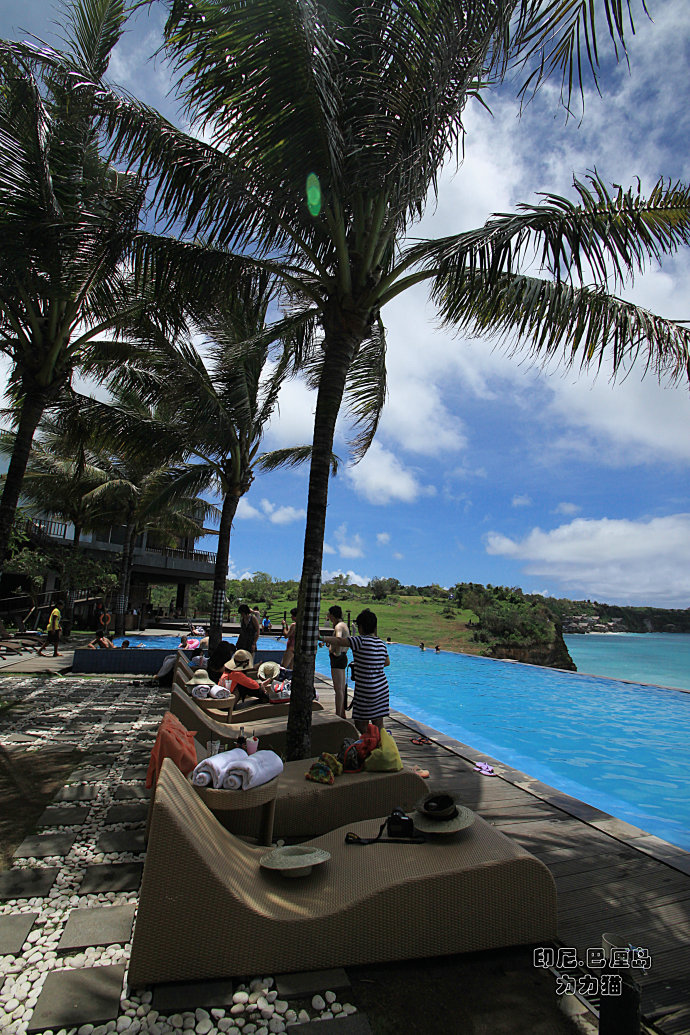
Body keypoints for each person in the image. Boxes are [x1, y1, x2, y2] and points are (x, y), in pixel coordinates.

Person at [321, 608, 389, 733]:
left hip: (365, 690)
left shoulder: (359, 641)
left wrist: (322, 638)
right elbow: (386, 662)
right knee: (378, 723)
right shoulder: (381, 644)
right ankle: (382, 746)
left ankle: (366, 745)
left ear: (361, 627)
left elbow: (340, 641)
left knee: (361, 724)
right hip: (382, 690)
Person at [324, 605, 349, 718]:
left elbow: (339, 639)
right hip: (343, 658)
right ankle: (342, 712)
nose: (327, 616)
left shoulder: (338, 626)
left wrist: (336, 652)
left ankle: (338, 714)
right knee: (341, 688)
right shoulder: (344, 625)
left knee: (338, 689)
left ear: (332, 615)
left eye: (329, 614)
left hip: (337, 659)